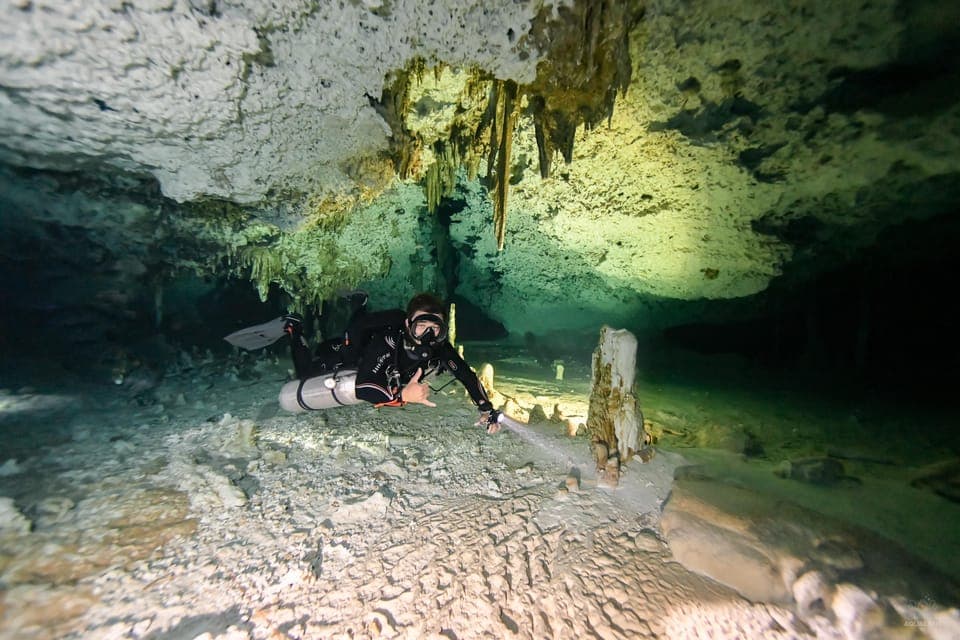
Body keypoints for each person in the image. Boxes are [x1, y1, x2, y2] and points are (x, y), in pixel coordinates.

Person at [283, 292, 501, 432]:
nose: (428, 335)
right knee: (307, 373)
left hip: (380, 365)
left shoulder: (439, 346)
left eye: (435, 328)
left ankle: (359, 304)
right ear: (408, 325)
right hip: (351, 355)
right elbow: (364, 388)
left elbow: (465, 374)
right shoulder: (389, 340)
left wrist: (486, 408)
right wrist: (402, 395)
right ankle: (295, 329)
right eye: (421, 326)